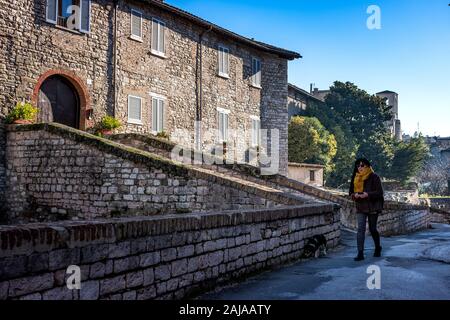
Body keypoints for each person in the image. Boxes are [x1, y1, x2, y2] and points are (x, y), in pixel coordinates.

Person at [349, 158, 384, 261]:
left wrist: (367, 194)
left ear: (367, 166)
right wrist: (355, 195)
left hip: (372, 206)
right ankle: (360, 253)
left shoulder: (374, 177)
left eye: (362, 165)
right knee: (360, 229)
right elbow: (350, 192)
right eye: (358, 165)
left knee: (373, 229)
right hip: (360, 206)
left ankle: (378, 247)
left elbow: (380, 193)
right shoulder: (355, 177)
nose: (360, 167)